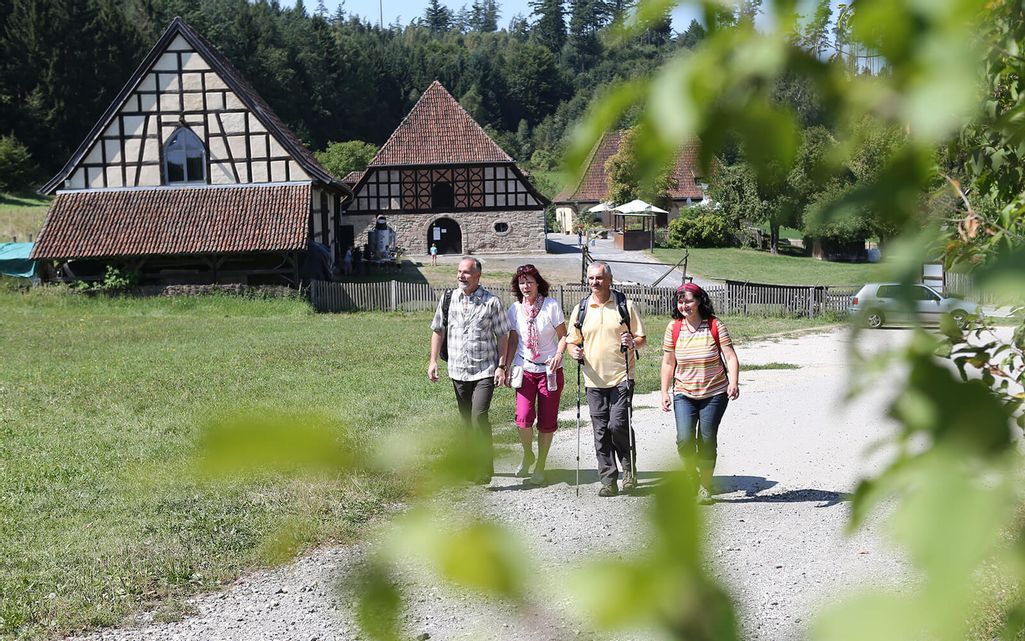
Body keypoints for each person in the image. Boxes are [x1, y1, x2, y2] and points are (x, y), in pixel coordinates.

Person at [566, 262, 647, 497]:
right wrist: (574, 351)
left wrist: (632, 342)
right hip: (593, 380)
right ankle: (608, 480)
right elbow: (572, 341)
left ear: (610, 280)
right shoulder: (581, 309)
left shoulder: (625, 306)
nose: (595, 282)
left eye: (599, 278)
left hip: (622, 377)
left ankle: (629, 471)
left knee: (618, 424)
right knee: (600, 431)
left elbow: (641, 338)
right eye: (591, 278)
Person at [428, 257, 510, 485]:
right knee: (466, 420)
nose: (461, 276)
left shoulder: (491, 302)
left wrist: (502, 366)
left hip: (485, 369)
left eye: (466, 272)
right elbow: (438, 330)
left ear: (477, 276)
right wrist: (433, 361)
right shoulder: (448, 299)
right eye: (459, 271)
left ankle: (484, 468)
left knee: (478, 417)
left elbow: (503, 335)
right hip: (458, 369)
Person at [659, 282, 740, 504]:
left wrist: (733, 382)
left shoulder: (714, 325)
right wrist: (664, 391)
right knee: (684, 440)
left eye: (688, 301)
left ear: (699, 301)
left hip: (714, 393)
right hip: (683, 392)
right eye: (680, 301)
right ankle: (691, 475)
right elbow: (668, 362)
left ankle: (705, 487)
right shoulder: (674, 328)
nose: (684, 305)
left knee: (706, 438)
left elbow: (730, 356)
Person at [503, 264, 567, 487]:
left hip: (549, 371)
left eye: (529, 282)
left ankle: (540, 464)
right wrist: (505, 366)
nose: (526, 286)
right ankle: (528, 454)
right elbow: (513, 340)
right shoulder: (514, 309)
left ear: (538, 283)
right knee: (523, 419)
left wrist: (558, 355)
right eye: (522, 283)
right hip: (524, 370)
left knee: (547, 422)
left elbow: (564, 336)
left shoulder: (551, 306)